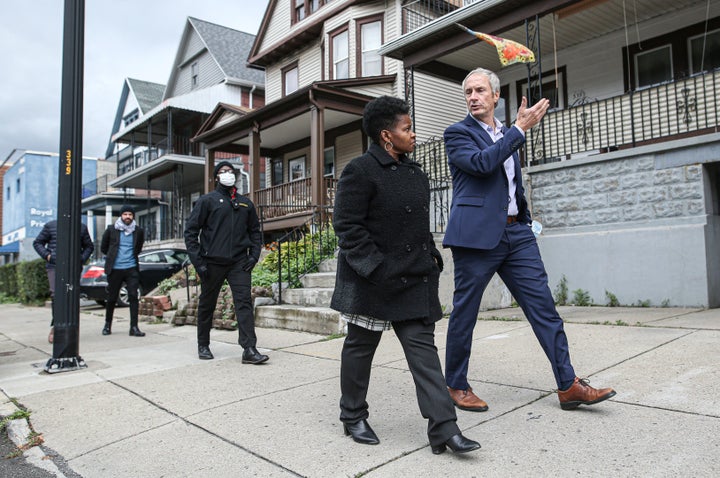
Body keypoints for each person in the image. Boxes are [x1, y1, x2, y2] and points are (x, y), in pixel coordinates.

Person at [442, 67, 616, 411]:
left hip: (516, 234)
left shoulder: (507, 133)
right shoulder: (457, 134)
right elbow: (481, 164)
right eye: (468, 93)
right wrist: (519, 130)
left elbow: (510, 183)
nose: (473, 97)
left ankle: (568, 385)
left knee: (545, 309)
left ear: (495, 96)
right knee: (465, 313)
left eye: (480, 91)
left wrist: (523, 219)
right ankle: (456, 385)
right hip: (476, 239)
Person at [330, 95, 480, 455]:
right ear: (386, 135)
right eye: (407, 128)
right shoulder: (360, 171)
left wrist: (430, 257)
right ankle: (352, 415)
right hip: (373, 280)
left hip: (413, 278)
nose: (413, 134)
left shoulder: (415, 173)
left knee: (423, 353)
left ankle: (444, 428)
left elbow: (416, 226)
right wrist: (375, 267)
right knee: (360, 348)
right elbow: (347, 227)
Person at [184, 161, 268, 364]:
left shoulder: (245, 203)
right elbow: (190, 232)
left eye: (230, 171)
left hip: (239, 262)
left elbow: (255, 233)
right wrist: (199, 263)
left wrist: (253, 256)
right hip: (211, 263)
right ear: (216, 178)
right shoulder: (207, 201)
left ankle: (249, 349)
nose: (227, 174)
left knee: (244, 303)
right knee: (207, 303)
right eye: (222, 172)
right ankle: (203, 344)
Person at [33, 219, 94, 343]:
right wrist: (47, 256)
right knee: (56, 295)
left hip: (73, 267)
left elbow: (89, 246)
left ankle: (70, 327)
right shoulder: (50, 225)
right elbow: (37, 243)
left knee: (70, 295)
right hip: (54, 266)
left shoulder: (81, 227)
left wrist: (81, 259)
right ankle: (56, 327)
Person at [100, 205, 145, 337]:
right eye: (125, 214)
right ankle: (107, 325)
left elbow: (139, 247)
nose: (127, 217)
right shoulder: (111, 229)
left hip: (131, 268)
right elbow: (104, 247)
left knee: (133, 296)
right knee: (112, 298)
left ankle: (134, 327)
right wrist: (113, 256)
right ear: (121, 216)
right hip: (115, 269)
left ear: (133, 217)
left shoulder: (138, 231)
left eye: (130, 214)